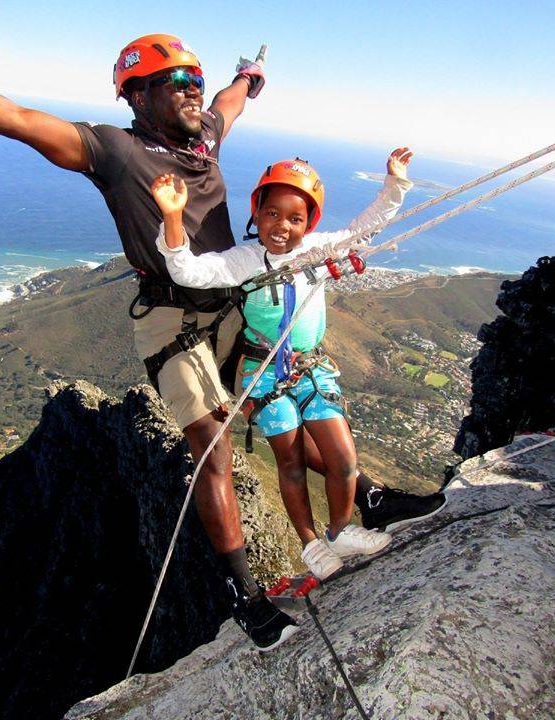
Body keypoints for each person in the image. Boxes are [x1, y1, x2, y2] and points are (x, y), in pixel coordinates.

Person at [0, 1, 442, 652]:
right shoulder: (116, 150)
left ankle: (367, 497)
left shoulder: (206, 135)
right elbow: (19, 120)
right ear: (138, 96)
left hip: (228, 304)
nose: (195, 93)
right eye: (178, 83)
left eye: (195, 81)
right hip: (172, 321)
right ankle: (242, 595)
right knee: (215, 446)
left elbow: (230, 101)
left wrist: (248, 76)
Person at [151, 152, 443, 579]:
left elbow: (366, 226)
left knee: (343, 458)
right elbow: (187, 272)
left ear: (309, 224)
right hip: (264, 371)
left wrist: (395, 185)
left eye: (295, 219)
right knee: (289, 462)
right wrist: (173, 218)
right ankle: (311, 545)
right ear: (257, 213)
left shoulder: (317, 251)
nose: (282, 228)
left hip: (312, 366)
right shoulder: (245, 261)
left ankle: (341, 529)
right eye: (272, 214)